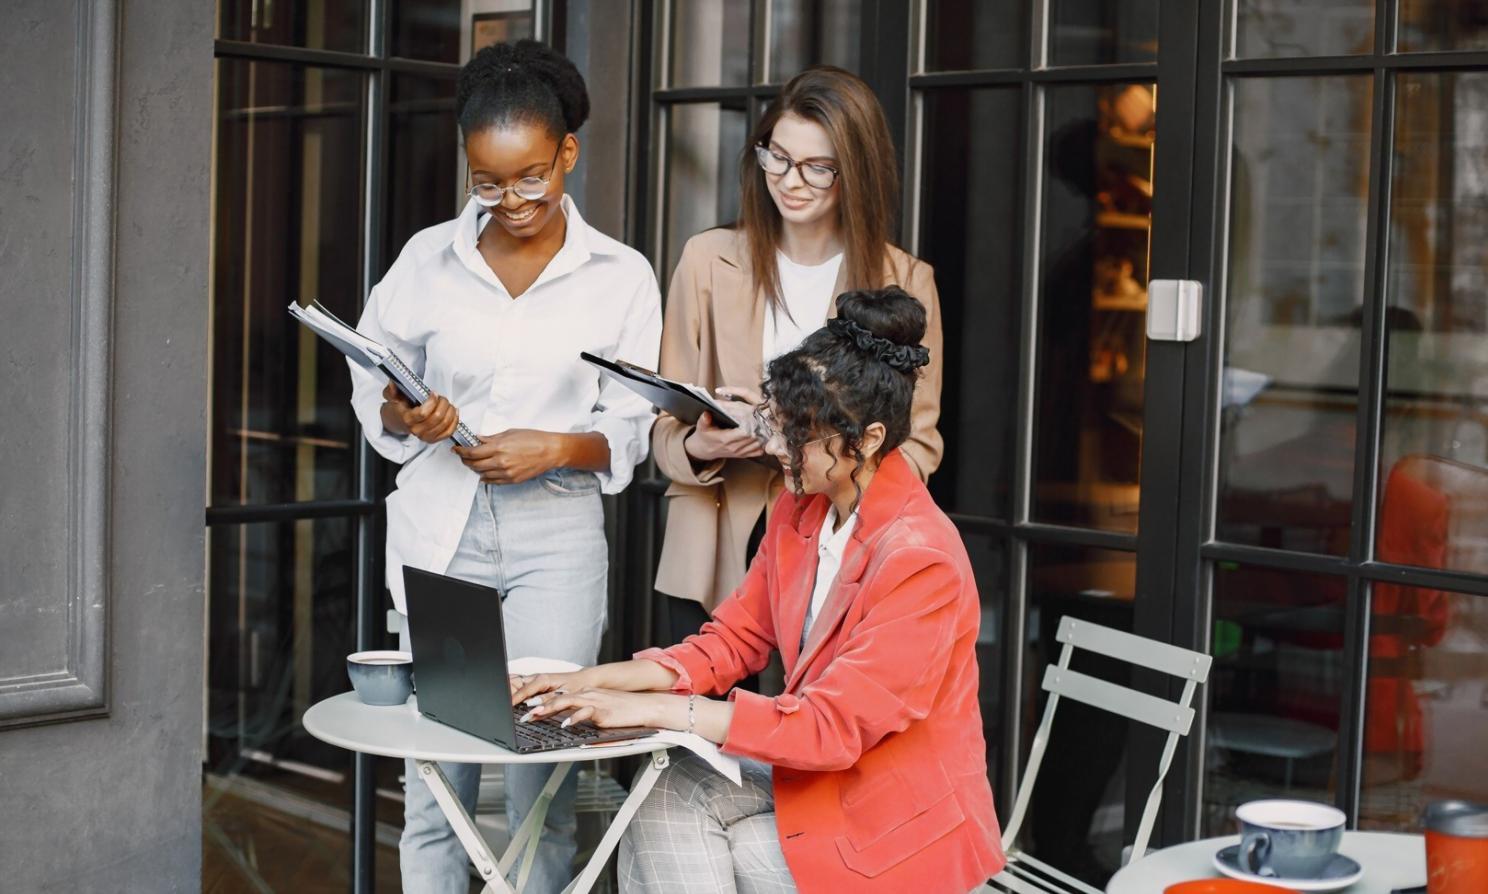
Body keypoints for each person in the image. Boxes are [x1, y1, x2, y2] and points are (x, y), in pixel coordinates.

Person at [513, 288, 1004, 892]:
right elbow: (731, 642)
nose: (774, 448)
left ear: (869, 439)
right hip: (828, 789)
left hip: (898, 832)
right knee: (663, 797)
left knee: (712, 845)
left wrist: (658, 711)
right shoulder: (803, 511)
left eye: (798, 435)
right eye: (776, 423)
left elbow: (827, 727)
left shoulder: (921, 562)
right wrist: (587, 682)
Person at [346, 40, 662, 894]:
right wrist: (406, 411)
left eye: (531, 176)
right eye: (488, 182)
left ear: (567, 153)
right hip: (443, 533)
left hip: (557, 537)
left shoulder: (621, 276)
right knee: (437, 787)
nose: (512, 201)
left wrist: (554, 447)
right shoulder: (425, 261)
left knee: (543, 789)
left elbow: (632, 427)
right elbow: (375, 384)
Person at [652, 66, 945, 645]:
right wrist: (699, 444)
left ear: (854, 172)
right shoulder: (708, 261)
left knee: (806, 726)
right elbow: (664, 423)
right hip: (712, 542)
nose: (790, 180)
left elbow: (919, 444)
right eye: (777, 158)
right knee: (695, 718)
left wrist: (814, 459)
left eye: (817, 167)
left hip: (840, 544)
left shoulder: (905, 281)